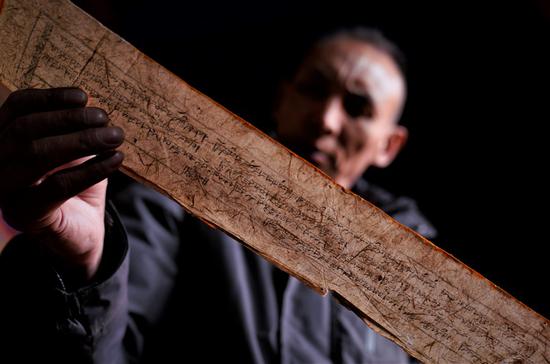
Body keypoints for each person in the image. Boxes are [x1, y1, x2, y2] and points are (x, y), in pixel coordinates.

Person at [0, 28, 435, 363]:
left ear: (388, 146)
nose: (326, 119)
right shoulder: (178, 198)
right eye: (313, 90)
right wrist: (89, 264)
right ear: (282, 100)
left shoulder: (421, 272)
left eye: (358, 108)